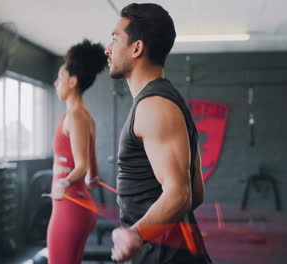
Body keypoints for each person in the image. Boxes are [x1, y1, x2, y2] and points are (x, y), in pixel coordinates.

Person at [104, 3, 212, 263]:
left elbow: (181, 194)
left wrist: (137, 234)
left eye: (115, 38)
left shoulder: (154, 106)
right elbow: (195, 193)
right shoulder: (166, 101)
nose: (107, 49)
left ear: (137, 48)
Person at [47, 39, 107, 264]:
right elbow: (91, 172)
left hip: (70, 206)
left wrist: (63, 182)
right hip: (76, 204)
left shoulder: (75, 116)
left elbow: (82, 167)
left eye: (60, 78)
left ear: (72, 82)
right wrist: (91, 178)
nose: (55, 83)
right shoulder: (84, 115)